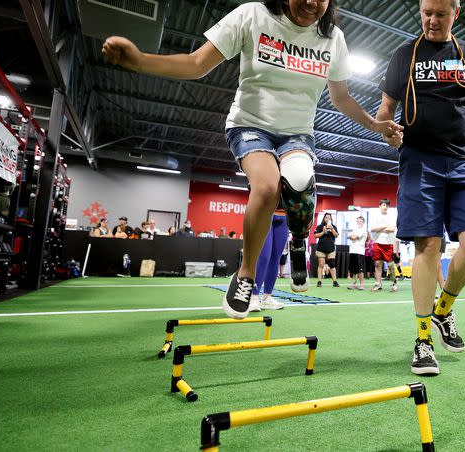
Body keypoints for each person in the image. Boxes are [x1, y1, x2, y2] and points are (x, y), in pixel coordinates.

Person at [102, 0, 402, 319]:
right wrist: (140, 61)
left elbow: (340, 98)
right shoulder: (253, 16)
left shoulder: (333, 38)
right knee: (268, 187)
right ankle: (246, 274)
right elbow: (196, 63)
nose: (312, 2)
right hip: (249, 125)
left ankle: (299, 241)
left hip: (297, 133)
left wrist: (375, 125)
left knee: (300, 179)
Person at [376, 0, 465, 375]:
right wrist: (387, 130)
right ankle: (423, 340)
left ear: (456, 13)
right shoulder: (404, 55)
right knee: (428, 245)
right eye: (426, 12)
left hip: (463, 160)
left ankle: (443, 310)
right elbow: (384, 110)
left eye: (440, 13)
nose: (431, 20)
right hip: (418, 161)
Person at [251, 213, 289, 311]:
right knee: (264, 257)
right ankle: (254, 298)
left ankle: (267, 298)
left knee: (275, 259)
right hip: (266, 211)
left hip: (284, 215)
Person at [370, 199, 398, 292]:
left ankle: (394, 283)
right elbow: (373, 229)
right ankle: (378, 284)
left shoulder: (391, 216)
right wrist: (384, 226)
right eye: (383, 205)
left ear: (388, 207)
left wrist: (380, 228)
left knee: (390, 265)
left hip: (388, 243)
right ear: (380, 206)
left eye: (386, 205)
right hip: (377, 242)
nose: (384, 207)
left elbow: (392, 229)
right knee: (378, 264)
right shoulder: (375, 216)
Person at [313, 212, 339, 287]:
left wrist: (332, 229)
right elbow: (315, 235)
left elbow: (336, 235)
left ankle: (334, 281)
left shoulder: (333, 226)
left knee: (332, 264)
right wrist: (323, 232)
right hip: (321, 248)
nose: (328, 219)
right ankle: (319, 281)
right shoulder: (319, 226)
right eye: (326, 217)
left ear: (331, 219)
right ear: (324, 218)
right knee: (321, 264)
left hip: (331, 248)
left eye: (329, 217)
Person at [346, 215, 367, 290]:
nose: (359, 222)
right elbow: (348, 236)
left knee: (360, 270)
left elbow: (353, 237)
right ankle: (354, 284)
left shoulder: (363, 230)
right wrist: (352, 236)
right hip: (352, 251)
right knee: (354, 269)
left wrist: (352, 236)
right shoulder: (355, 229)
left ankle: (362, 285)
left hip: (359, 252)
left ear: (363, 222)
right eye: (358, 221)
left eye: (360, 221)